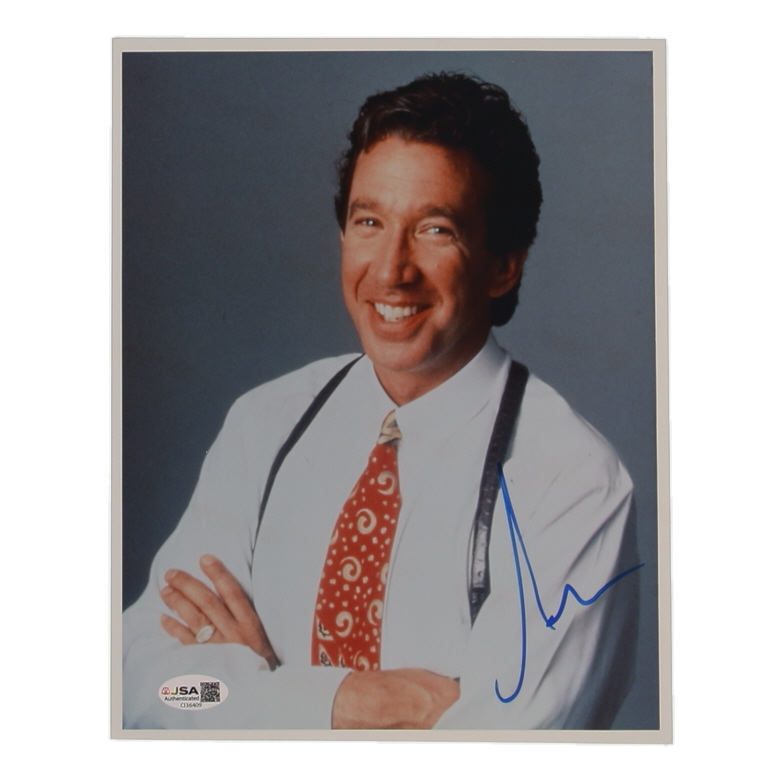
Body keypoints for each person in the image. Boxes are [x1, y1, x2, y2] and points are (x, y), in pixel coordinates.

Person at [123, 72, 639, 730]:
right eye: (369, 222)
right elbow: (146, 688)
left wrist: (254, 689)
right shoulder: (265, 425)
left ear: (503, 264)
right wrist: (346, 702)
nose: (392, 269)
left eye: (435, 230)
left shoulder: (571, 483)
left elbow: (502, 754)